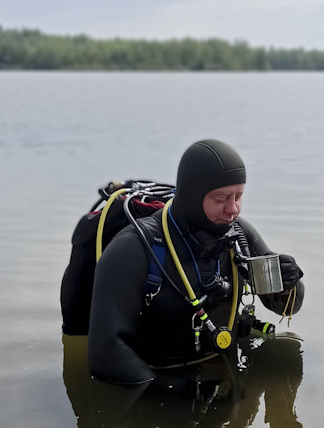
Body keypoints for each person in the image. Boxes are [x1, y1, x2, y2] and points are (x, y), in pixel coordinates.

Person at [88, 139, 304, 385]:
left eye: (238, 196)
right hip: (158, 379)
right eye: (221, 198)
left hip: (219, 369)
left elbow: (286, 308)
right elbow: (105, 355)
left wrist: (289, 282)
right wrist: (172, 391)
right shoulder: (135, 247)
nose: (233, 209)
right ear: (192, 195)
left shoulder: (238, 234)